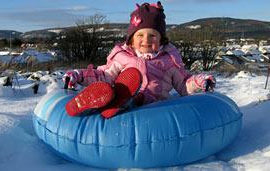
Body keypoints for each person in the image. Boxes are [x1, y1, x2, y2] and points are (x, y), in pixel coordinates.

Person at [63, 1, 216, 119]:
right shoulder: (122, 58)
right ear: (131, 40)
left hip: (156, 107)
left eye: (153, 35)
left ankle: (120, 104)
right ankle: (102, 104)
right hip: (127, 100)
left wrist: (200, 82)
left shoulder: (169, 61)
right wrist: (80, 75)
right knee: (110, 89)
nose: (146, 40)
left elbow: (183, 84)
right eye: (140, 35)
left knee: (134, 101)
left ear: (161, 40)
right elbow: (104, 76)